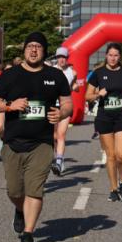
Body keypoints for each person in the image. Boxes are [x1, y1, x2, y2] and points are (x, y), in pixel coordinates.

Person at [0, 32, 72, 242]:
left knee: (35, 189)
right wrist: (10, 106)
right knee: (15, 191)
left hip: (41, 143)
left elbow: (68, 104)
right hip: (13, 142)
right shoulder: (10, 75)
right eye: (30, 46)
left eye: (38, 47)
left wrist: (61, 114)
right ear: (24, 50)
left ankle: (28, 233)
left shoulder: (56, 76)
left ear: (44, 52)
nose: (33, 50)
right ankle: (19, 209)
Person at [86, 44, 122, 201]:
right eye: (110, 55)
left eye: (116, 55)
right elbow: (87, 96)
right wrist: (98, 94)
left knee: (121, 154)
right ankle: (113, 189)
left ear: (119, 57)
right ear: (106, 56)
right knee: (111, 155)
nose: (113, 58)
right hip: (104, 117)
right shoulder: (98, 73)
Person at [51, 47, 79, 175]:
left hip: (65, 107)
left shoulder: (72, 72)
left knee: (61, 134)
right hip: (51, 106)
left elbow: (73, 86)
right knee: (54, 136)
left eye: (63, 57)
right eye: (59, 57)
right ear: (56, 58)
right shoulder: (51, 70)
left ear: (67, 59)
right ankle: (58, 157)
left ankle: (58, 161)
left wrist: (75, 87)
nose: (61, 59)